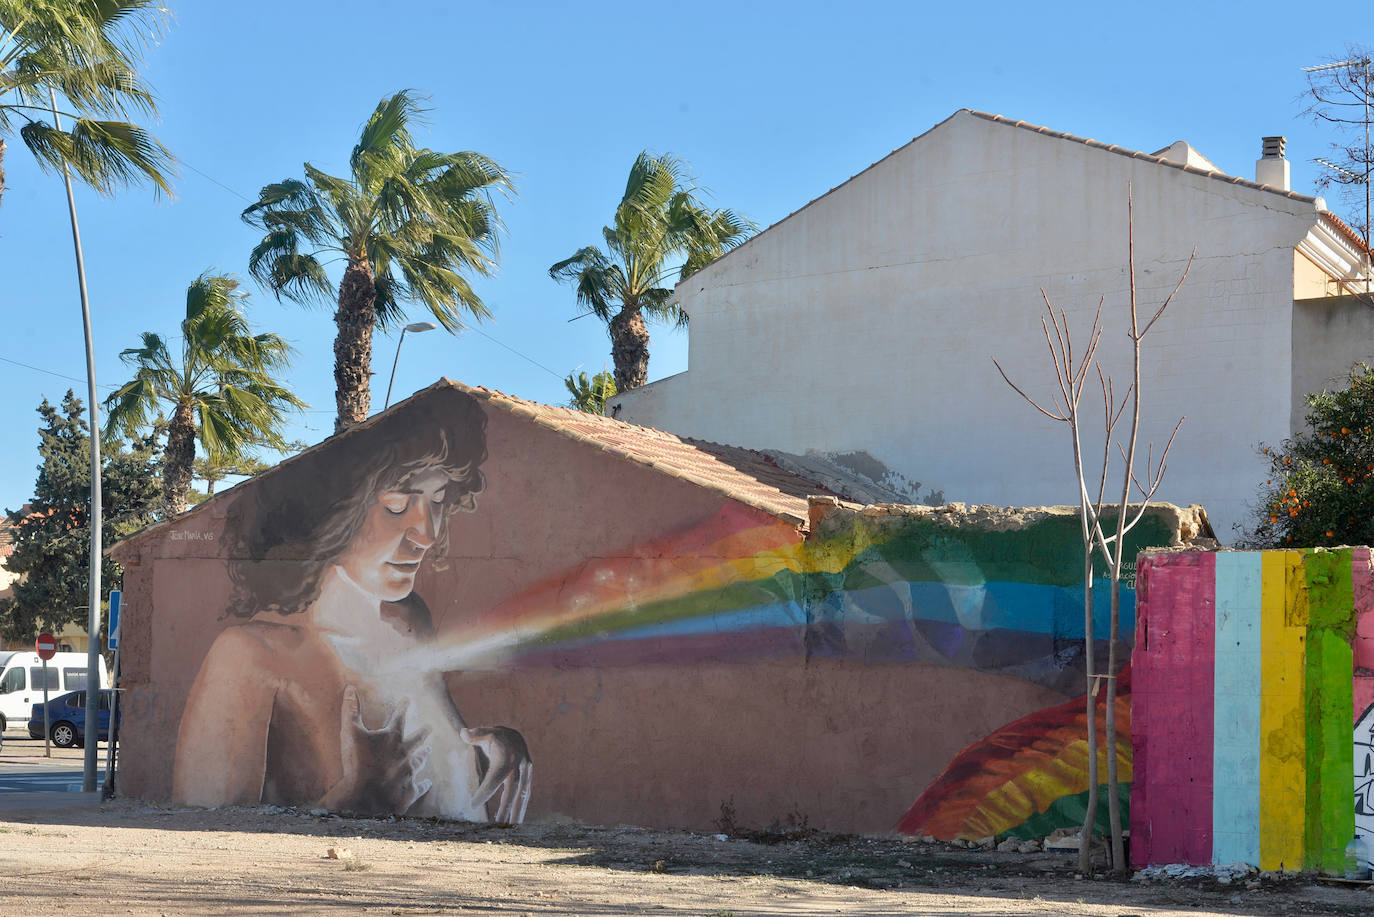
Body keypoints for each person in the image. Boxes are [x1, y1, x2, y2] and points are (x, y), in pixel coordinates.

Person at [172, 389, 531, 822]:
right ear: (333, 512)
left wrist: (490, 750)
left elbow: (441, 769)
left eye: (437, 501)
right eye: (398, 505)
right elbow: (198, 829)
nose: (427, 533)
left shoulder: (412, 622)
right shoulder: (249, 656)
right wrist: (352, 801)